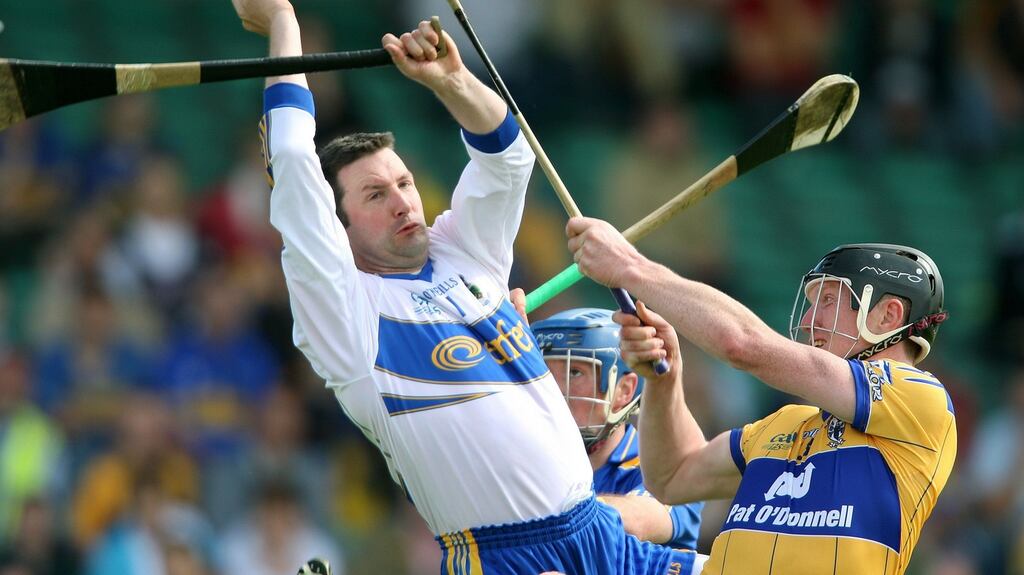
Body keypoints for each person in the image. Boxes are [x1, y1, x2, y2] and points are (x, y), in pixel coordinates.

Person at [233, 0, 699, 572]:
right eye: (376, 195)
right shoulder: (347, 314)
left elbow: (508, 156)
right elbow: (291, 159)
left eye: (404, 182)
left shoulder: (465, 253)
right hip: (508, 560)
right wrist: (283, 22)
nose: (404, 202)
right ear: (338, 228)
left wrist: (451, 81)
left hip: (599, 533)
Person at [567, 216, 956, 575]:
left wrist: (631, 268)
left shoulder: (921, 400)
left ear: (887, 315)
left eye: (827, 301)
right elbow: (672, 476)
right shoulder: (784, 424)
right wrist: (664, 378)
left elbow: (742, 345)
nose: (809, 321)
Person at [529, 307, 704, 549]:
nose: (553, 391)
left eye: (574, 372)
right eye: (546, 374)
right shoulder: (525, 463)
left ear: (624, 390)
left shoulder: (669, 467)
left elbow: (638, 520)